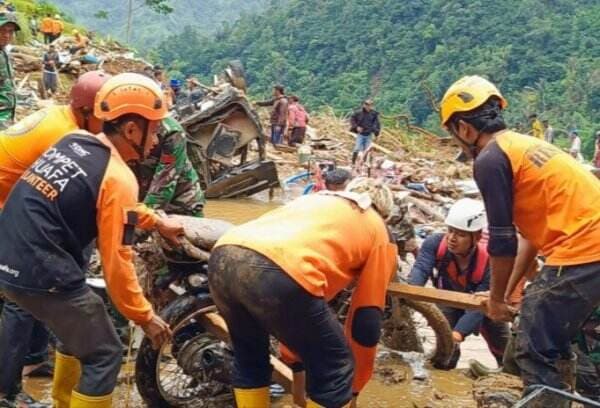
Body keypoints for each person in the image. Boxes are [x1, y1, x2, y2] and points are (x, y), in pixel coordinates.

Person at [0, 73, 182, 408]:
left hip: (7, 255)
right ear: (131, 130)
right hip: (42, 269)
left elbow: (118, 206)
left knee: (79, 331)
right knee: (105, 354)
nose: (156, 141)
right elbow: (116, 263)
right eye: (153, 130)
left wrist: (157, 222)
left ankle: (61, 401)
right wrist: (144, 316)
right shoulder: (120, 177)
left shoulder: (74, 142)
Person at [439, 75, 600, 406]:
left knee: (535, 344)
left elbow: (501, 239)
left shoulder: (490, 158)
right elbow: (528, 238)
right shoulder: (520, 147)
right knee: (579, 337)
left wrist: (497, 300)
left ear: (464, 129)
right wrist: (503, 292)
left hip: (583, 249)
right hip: (589, 248)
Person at [208, 177, 397, 407]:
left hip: (224, 255)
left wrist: (296, 372)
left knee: (250, 358)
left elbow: (295, 325)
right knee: (335, 369)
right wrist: (353, 389)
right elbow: (366, 320)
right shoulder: (377, 227)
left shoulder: (314, 200)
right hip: (281, 270)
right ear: (384, 214)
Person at [0, 71, 113, 408]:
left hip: (11, 201)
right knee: (21, 297)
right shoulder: (65, 135)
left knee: (33, 288)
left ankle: (34, 359)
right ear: (87, 111)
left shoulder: (61, 116)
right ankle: (5, 390)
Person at [409, 198, 509, 369]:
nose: (452, 239)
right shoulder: (434, 244)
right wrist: (409, 298)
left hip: (485, 304)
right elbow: (420, 271)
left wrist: (457, 334)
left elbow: (479, 306)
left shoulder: (490, 260)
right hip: (448, 298)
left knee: (504, 350)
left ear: (477, 237)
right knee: (446, 352)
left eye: (461, 234)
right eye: (450, 231)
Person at [135, 115, 206, 217]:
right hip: (144, 195)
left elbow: (165, 182)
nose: (154, 141)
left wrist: (143, 218)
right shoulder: (117, 126)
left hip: (182, 202)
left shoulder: (171, 132)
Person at [0, 13, 18, 129]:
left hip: (6, 117)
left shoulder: (4, 53)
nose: (6, 35)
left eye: (10, 31)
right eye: (2, 30)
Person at [350, 99, 380, 165]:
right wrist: (356, 127)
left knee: (366, 150)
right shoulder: (359, 113)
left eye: (369, 105)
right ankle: (353, 163)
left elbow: (377, 124)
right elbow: (352, 119)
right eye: (366, 104)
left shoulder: (374, 114)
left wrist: (376, 133)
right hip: (360, 134)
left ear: (372, 106)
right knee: (357, 149)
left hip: (369, 134)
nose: (368, 106)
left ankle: (363, 163)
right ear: (364, 105)